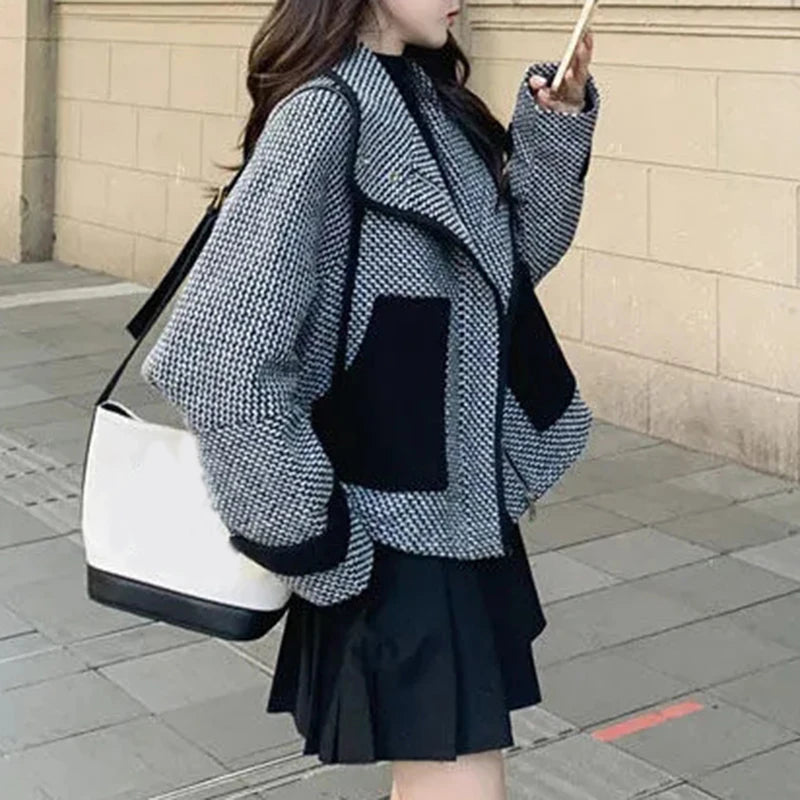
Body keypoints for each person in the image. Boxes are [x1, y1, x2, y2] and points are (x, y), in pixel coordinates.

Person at [140, 0, 599, 797]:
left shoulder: (426, 96)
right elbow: (219, 361)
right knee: (460, 779)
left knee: (447, 774)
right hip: (385, 534)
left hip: (454, 511)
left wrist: (554, 125)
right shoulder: (324, 114)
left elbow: (507, 269)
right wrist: (313, 536)